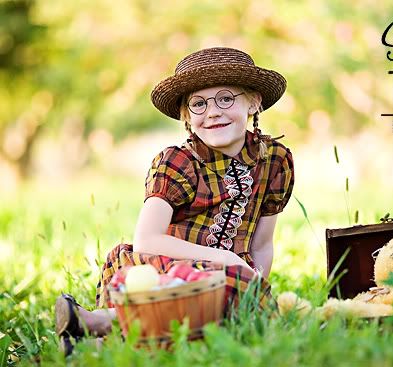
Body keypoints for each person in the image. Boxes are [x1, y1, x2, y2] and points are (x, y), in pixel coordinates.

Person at [54, 47, 294, 354]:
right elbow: (147, 240)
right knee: (157, 283)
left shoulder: (275, 160)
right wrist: (224, 259)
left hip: (229, 279)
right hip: (165, 265)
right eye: (198, 103)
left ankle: (100, 326)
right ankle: (104, 325)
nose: (212, 112)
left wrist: (255, 290)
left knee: (234, 291)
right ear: (185, 115)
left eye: (226, 98)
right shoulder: (177, 161)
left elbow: (261, 245)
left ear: (254, 102)